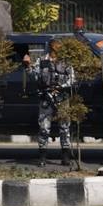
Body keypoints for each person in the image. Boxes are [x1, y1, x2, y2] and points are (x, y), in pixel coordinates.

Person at [31, 38, 74, 167]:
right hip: (46, 98)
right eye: (58, 45)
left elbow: (72, 79)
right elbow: (35, 76)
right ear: (52, 47)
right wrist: (27, 67)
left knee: (65, 128)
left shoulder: (66, 62)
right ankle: (42, 157)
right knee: (44, 128)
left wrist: (61, 87)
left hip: (62, 98)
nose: (60, 47)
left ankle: (65, 157)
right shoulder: (42, 61)